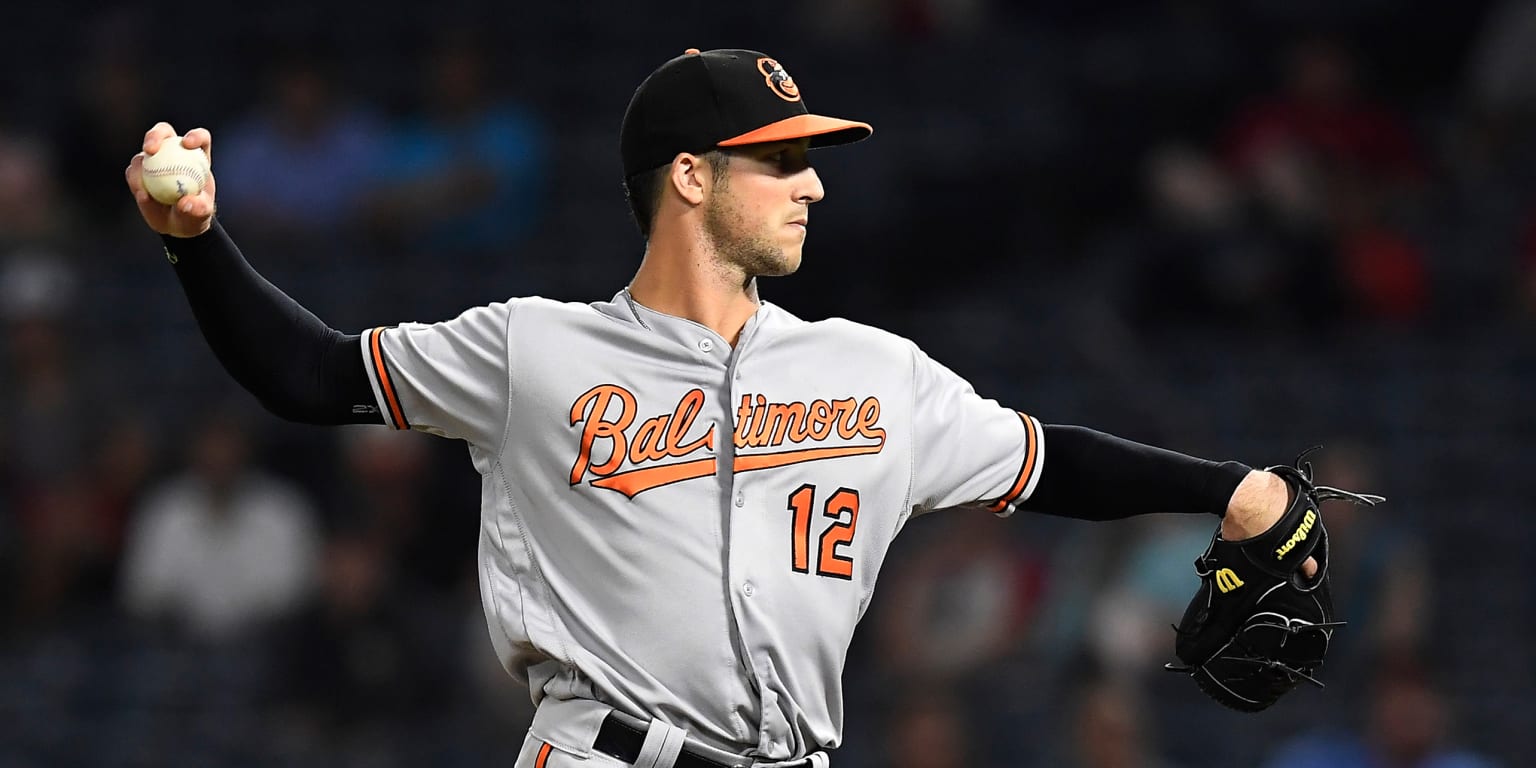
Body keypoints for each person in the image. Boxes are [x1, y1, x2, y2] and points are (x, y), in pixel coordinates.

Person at [125, 48, 1351, 767]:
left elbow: (1047, 463)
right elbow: (311, 375)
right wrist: (196, 243)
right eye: (782, 158)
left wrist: (1227, 488)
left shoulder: (875, 371)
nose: (813, 183)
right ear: (692, 177)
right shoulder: (535, 349)